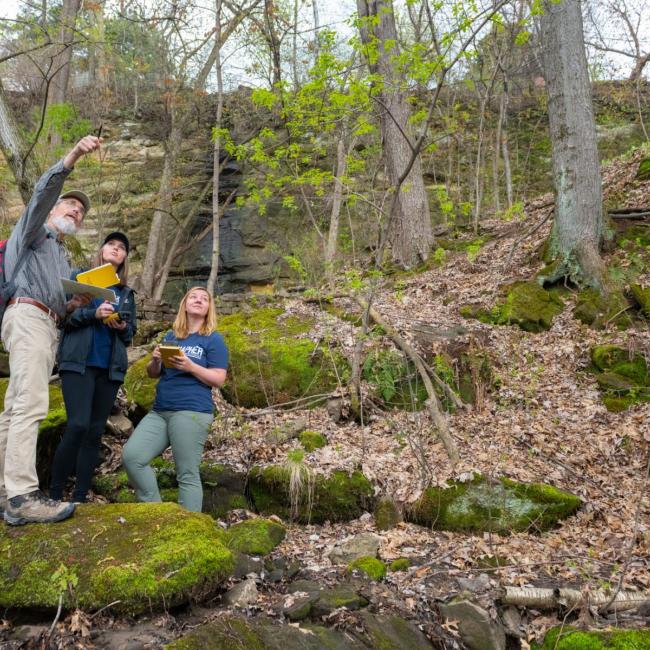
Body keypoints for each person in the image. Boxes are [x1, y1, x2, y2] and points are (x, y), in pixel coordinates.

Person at [0, 135, 101, 526]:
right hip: (27, 320)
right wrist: (73, 156)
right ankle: (24, 495)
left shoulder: (57, 253)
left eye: (81, 212)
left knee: (13, 409)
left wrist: (73, 304)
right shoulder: (33, 230)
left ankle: (6, 493)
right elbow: (44, 191)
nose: (76, 212)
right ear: (53, 208)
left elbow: (53, 302)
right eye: (70, 205)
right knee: (31, 404)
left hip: (42, 322)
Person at [122, 287, 227, 512]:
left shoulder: (213, 339)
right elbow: (153, 373)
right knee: (132, 457)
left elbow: (218, 379)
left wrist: (191, 366)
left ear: (209, 308)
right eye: (193, 297)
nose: (198, 300)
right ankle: (155, 513)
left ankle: (190, 530)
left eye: (204, 298)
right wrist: (156, 360)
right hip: (160, 411)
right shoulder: (172, 336)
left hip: (191, 410)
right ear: (184, 304)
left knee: (187, 472)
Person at [49, 232, 136, 504]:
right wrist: (92, 314)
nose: (116, 249)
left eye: (122, 248)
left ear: (124, 258)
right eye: (111, 244)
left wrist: (121, 326)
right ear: (101, 250)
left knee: (94, 431)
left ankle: (79, 496)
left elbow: (130, 334)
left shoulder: (125, 293)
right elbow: (63, 319)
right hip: (78, 363)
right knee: (77, 425)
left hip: (110, 369)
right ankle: (53, 493)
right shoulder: (80, 278)